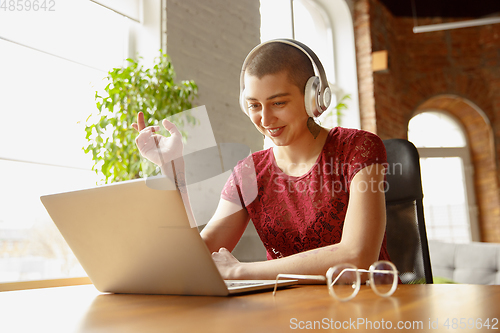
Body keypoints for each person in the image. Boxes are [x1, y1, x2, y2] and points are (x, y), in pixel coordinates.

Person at [132, 40, 390, 281]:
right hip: (285, 313)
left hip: (363, 309)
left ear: (314, 99)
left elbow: (357, 257)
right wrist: (172, 170)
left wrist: (241, 271)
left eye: (278, 103)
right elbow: (197, 256)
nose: (265, 120)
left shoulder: (358, 148)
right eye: (254, 105)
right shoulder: (250, 172)